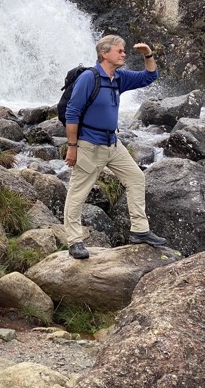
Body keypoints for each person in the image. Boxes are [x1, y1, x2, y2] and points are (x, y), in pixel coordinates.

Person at [64, 34, 167, 259]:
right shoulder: (89, 78)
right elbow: (72, 113)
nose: (123, 54)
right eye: (119, 51)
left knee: (136, 178)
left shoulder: (118, 77)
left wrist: (148, 54)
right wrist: (72, 147)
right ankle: (74, 241)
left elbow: (150, 76)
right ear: (104, 53)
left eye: (123, 51)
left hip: (113, 143)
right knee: (78, 193)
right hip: (89, 145)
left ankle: (140, 231)